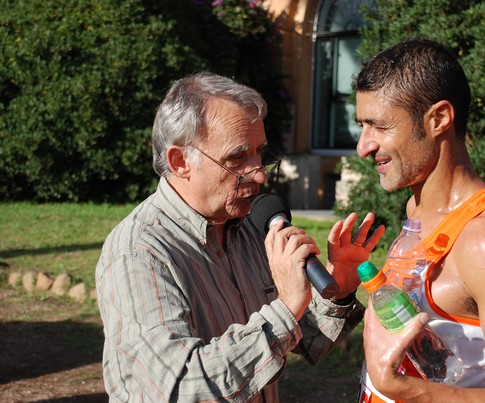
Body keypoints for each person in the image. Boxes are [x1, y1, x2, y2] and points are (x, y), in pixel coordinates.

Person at [95, 72, 385, 402]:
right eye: (237, 157)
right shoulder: (139, 254)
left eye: (259, 152)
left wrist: (339, 287)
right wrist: (287, 307)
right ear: (180, 162)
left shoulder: (248, 225)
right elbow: (180, 388)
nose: (259, 172)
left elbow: (303, 340)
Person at [353, 39, 485, 402]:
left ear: (439, 119)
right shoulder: (416, 209)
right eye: (361, 126)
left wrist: (406, 391)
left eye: (379, 126)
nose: (363, 146)